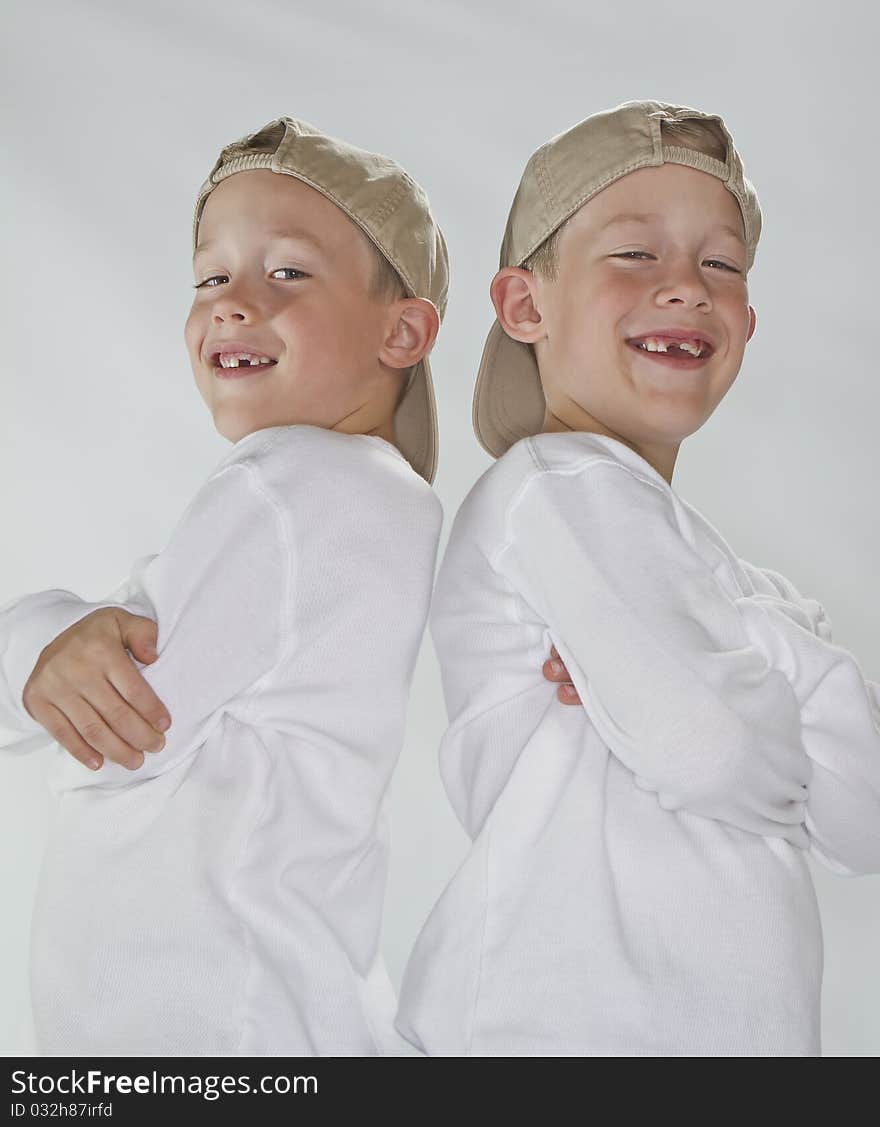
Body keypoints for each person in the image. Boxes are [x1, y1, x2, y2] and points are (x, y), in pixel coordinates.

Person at [394, 99, 880, 1056]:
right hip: (553, 1033)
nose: (688, 288)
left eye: (721, 263)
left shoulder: (729, 579)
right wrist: (771, 662)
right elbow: (713, 746)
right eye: (636, 254)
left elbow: (865, 818)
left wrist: (741, 637)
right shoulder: (557, 486)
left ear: (747, 315)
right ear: (527, 305)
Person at [0, 115, 448, 1056]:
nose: (234, 303)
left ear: (402, 329)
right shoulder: (376, 499)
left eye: (287, 271)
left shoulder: (291, 480)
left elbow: (120, 726)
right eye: (211, 276)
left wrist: (44, 638)